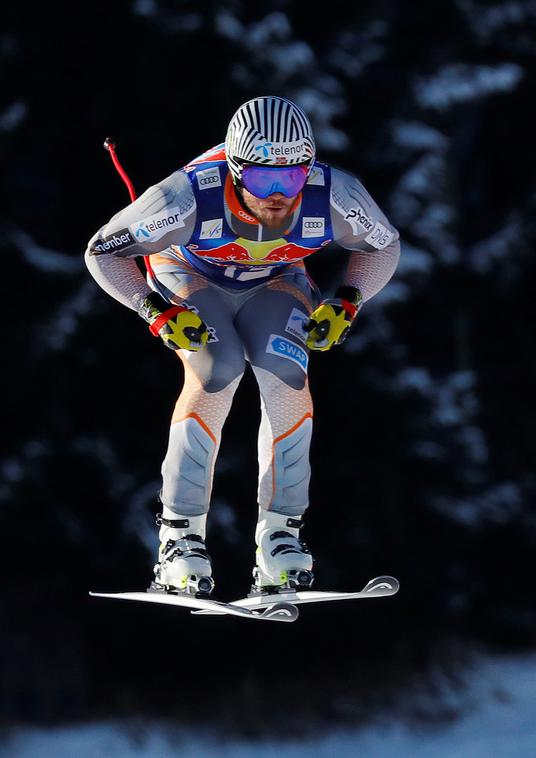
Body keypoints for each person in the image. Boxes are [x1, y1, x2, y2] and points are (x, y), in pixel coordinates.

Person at [84, 95, 400, 597]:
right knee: (218, 368)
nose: (278, 195)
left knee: (287, 372)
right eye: (261, 180)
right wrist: (153, 310)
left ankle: (281, 537)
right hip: (188, 275)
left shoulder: (334, 192)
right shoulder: (185, 198)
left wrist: (348, 300)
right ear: (234, 170)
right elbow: (102, 252)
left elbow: (382, 245)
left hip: (275, 281)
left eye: (292, 178)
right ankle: (178, 540)